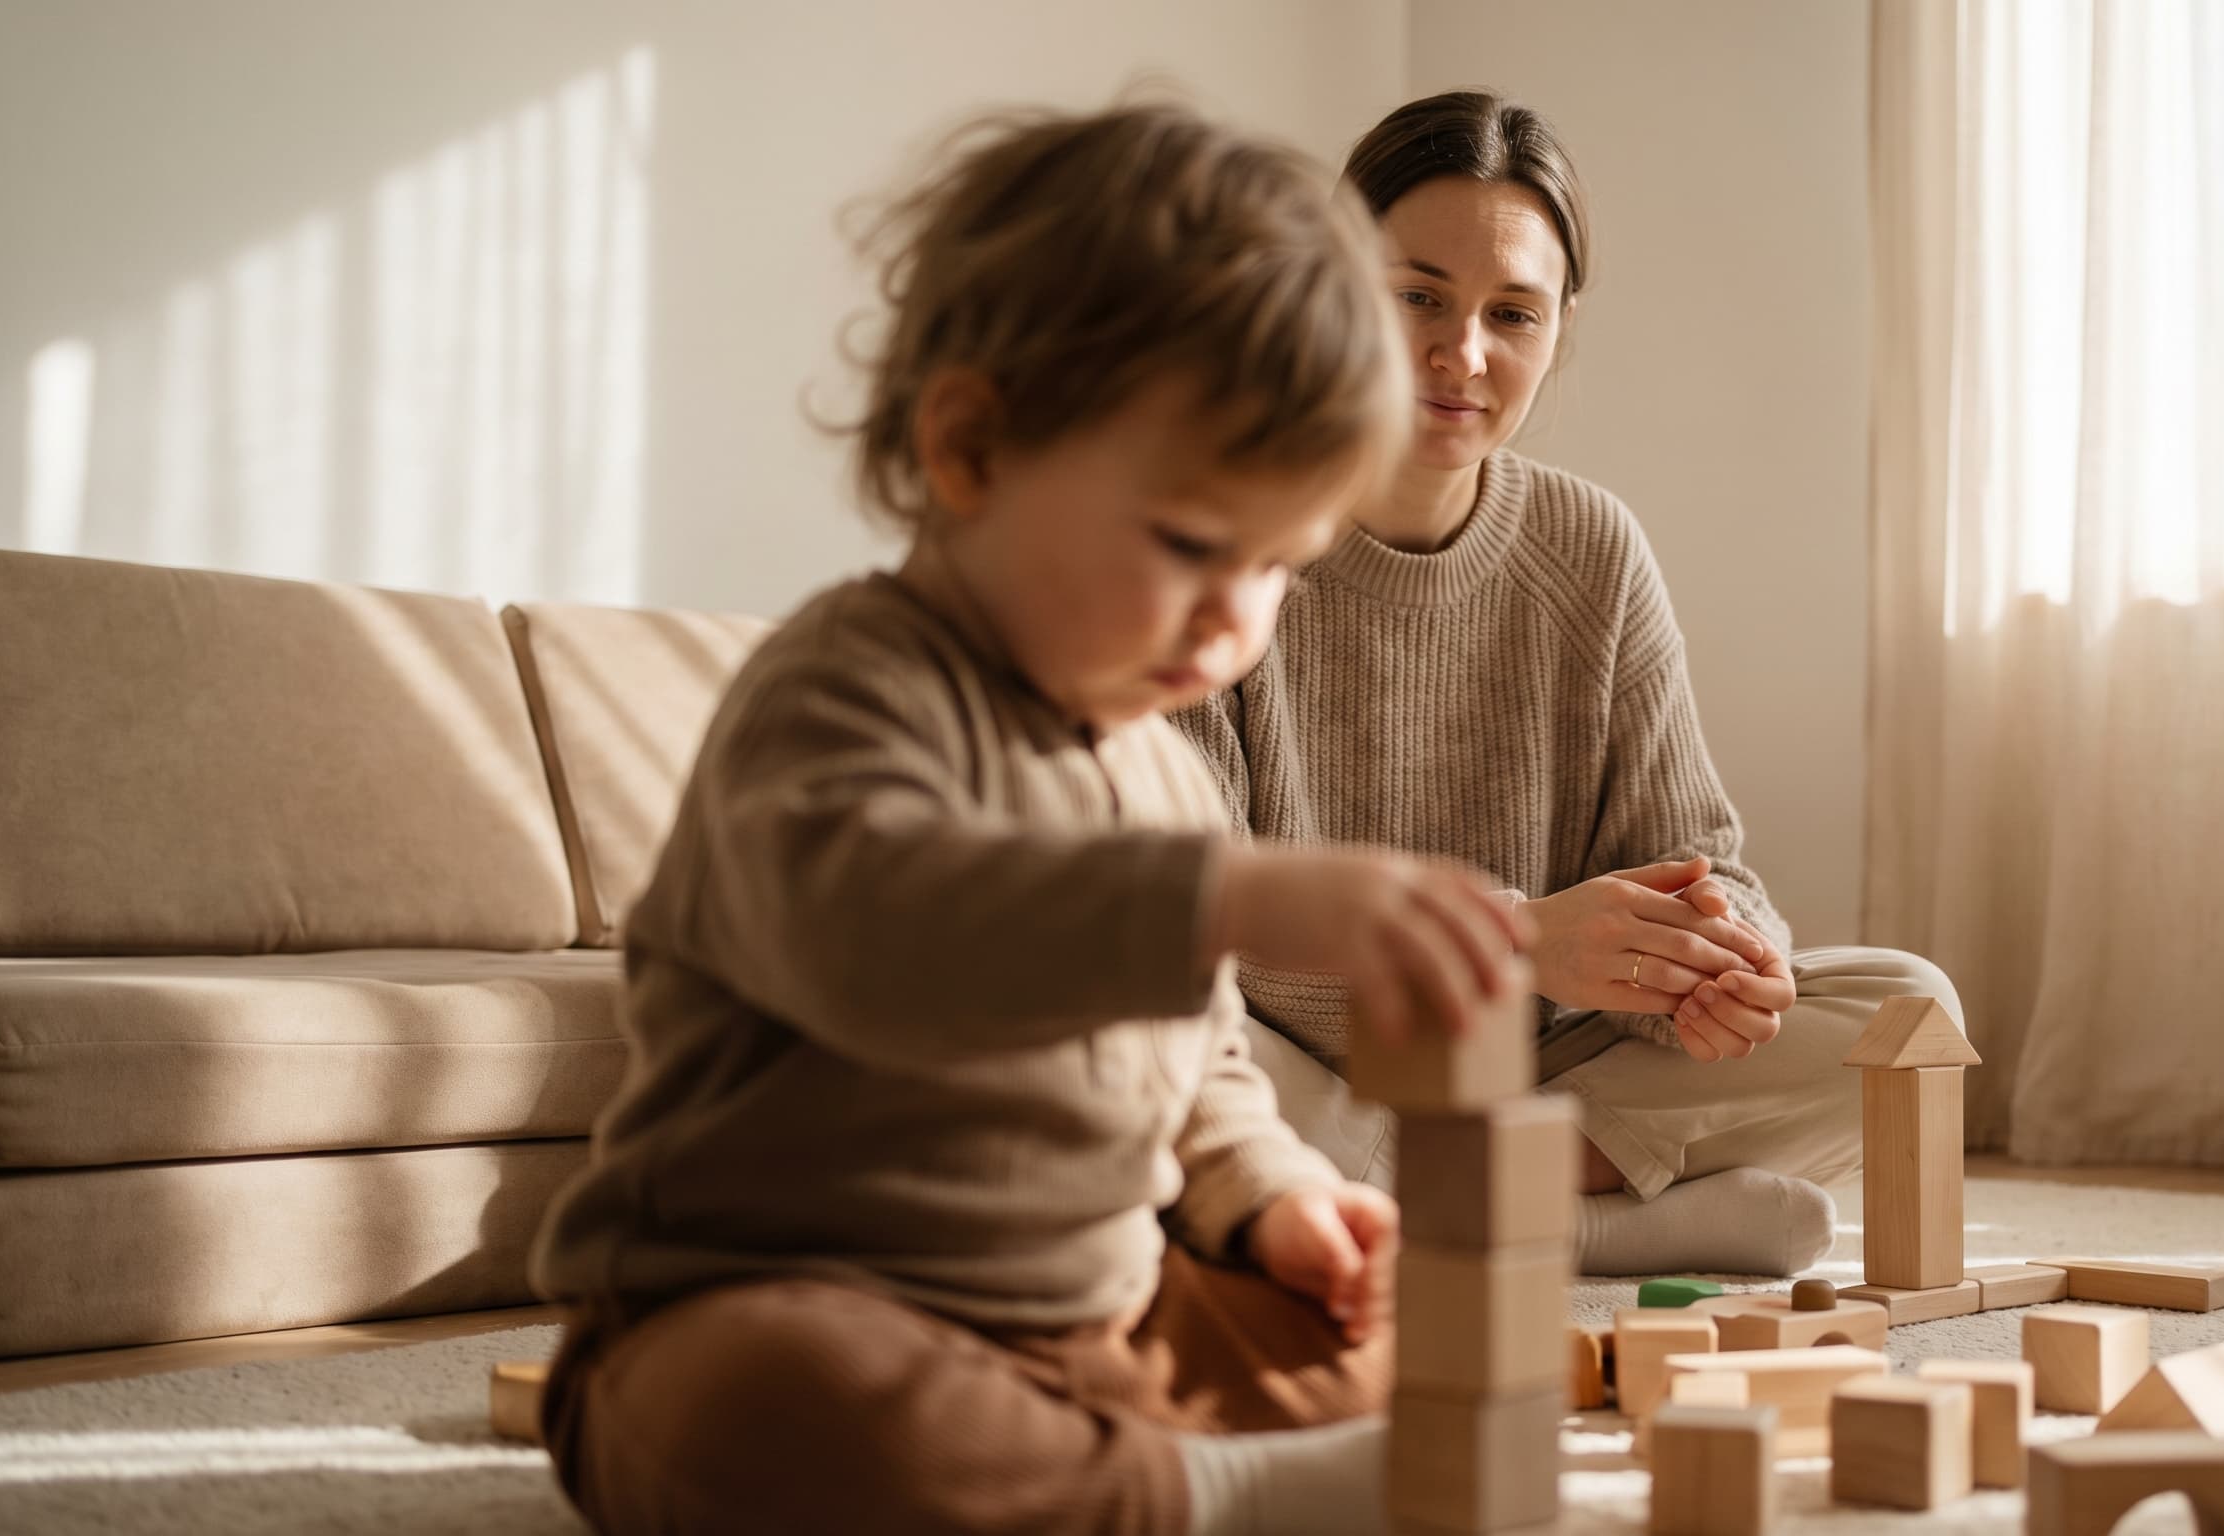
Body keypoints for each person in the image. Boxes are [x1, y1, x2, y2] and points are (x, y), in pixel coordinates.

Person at [527, 103, 1528, 1536]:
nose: (1235, 619)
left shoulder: (1162, 767)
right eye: (1192, 544)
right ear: (972, 448)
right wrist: (1229, 900)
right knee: (771, 1415)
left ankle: (1154, 1482)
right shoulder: (846, 690)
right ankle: (1201, 1501)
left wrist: (1274, 1204)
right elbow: (884, 934)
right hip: (769, 1306)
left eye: (1283, 568)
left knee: (1431, 1345)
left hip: (1094, 1328)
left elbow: (1204, 1074)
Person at [1176, 91, 1966, 1279]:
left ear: (1558, 330)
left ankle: (1449, 1195)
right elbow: (1199, 908)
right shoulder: (1219, 533)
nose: (1465, 355)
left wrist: (1715, 961)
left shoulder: (1589, 548)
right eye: (1417, 299)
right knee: (1141, 1029)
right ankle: (1595, 1223)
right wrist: (1511, 942)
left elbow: (1701, 856)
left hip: (1536, 1073)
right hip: (1290, 1064)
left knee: (1905, 1012)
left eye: (1512, 314)